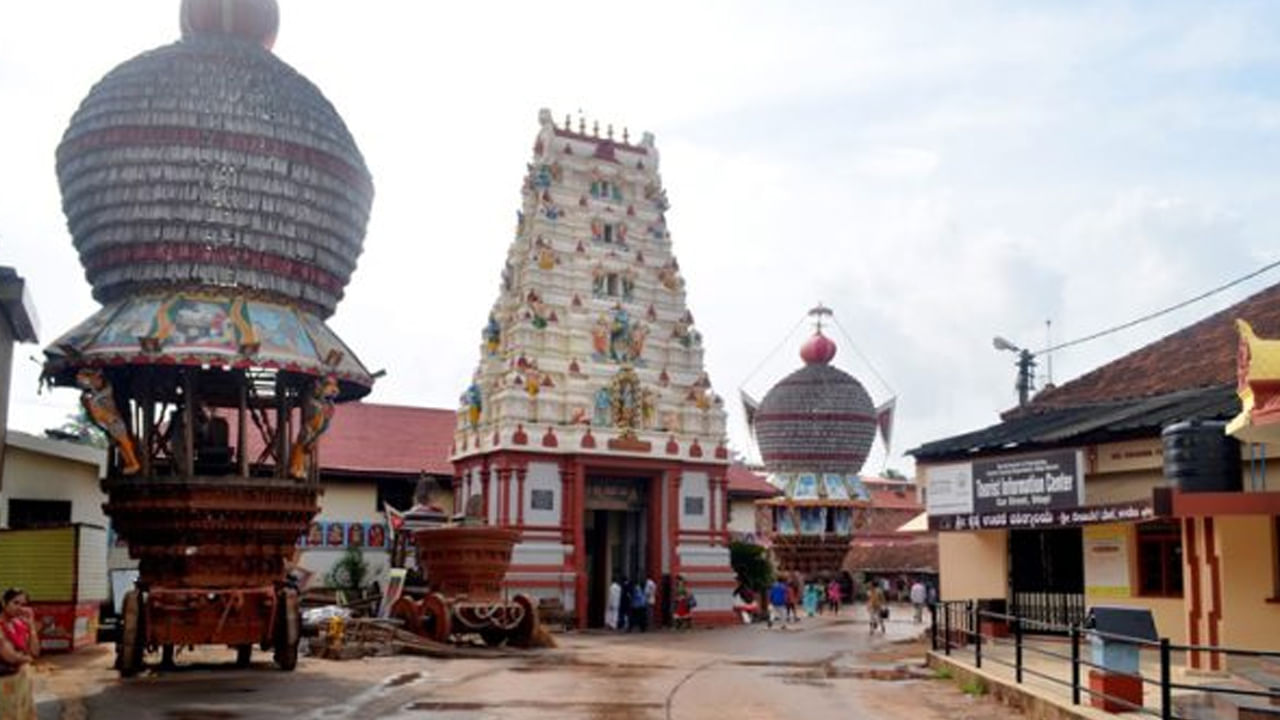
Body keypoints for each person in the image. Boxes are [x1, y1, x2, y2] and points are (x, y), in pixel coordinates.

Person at [1, 588, 39, 720]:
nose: (20, 608)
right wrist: (26, 658)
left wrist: (32, 627)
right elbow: (9, 656)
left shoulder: (19, 624)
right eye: (15, 603)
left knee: (21, 714)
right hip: (3, 682)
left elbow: (35, 651)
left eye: (23, 604)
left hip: (21, 681)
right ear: (4, 603)